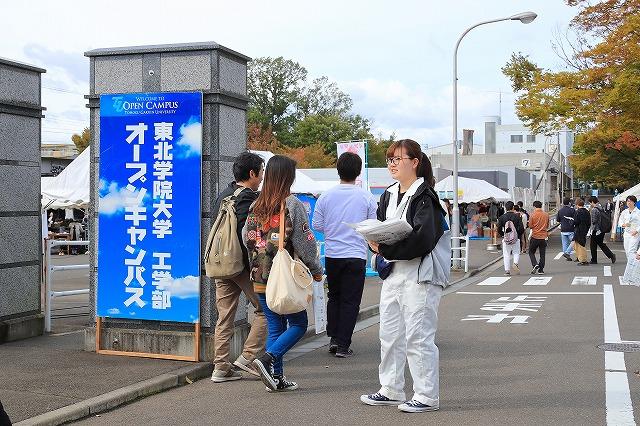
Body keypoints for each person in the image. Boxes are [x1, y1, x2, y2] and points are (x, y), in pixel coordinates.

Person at [360, 139, 446, 413]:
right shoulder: (388, 194)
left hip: (420, 275)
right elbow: (381, 227)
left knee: (418, 336)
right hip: (394, 273)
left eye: (398, 159)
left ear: (415, 162)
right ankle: (391, 388)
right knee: (390, 334)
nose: (392, 164)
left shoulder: (426, 197)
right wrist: (374, 243)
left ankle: (426, 395)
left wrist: (384, 247)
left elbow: (424, 239)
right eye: (389, 160)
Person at [244, 155, 323, 392]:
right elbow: (305, 243)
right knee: (299, 324)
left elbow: (246, 240)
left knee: (275, 326)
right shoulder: (291, 204)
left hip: (259, 277)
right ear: (288, 176)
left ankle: (276, 379)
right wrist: (317, 270)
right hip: (284, 278)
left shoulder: (254, 206)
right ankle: (268, 359)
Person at [312, 152, 377, 358]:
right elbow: (372, 227)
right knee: (351, 300)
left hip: (332, 254)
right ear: (358, 173)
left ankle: (333, 338)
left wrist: (333, 230)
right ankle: (343, 344)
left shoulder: (326, 196)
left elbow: (317, 225)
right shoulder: (366, 197)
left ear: (338, 171)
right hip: (356, 255)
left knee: (335, 297)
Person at [210, 152, 267, 383]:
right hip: (240, 265)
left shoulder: (223, 195)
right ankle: (248, 357)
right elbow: (247, 237)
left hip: (220, 264)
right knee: (265, 310)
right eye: (261, 172)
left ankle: (220, 368)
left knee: (224, 317)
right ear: (252, 173)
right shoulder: (248, 198)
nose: (262, 177)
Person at [497, 201, 525, 275]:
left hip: (506, 238)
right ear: (513, 207)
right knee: (516, 252)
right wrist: (518, 235)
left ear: (505, 208)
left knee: (506, 254)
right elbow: (521, 228)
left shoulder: (501, 218)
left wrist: (503, 234)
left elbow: (499, 229)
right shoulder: (518, 216)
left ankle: (507, 271)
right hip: (516, 238)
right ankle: (515, 263)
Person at [588, 196, 616, 264]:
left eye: (590, 202)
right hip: (602, 229)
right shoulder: (601, 207)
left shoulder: (594, 209)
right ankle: (611, 255)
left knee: (593, 245)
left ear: (592, 202)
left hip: (596, 230)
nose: (590, 204)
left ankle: (594, 260)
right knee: (600, 243)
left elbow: (594, 221)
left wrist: (591, 230)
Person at [528, 200, 549, 274]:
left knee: (531, 251)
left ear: (534, 206)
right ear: (541, 206)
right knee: (542, 254)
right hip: (543, 237)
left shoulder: (532, 214)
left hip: (535, 236)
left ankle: (535, 264)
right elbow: (547, 225)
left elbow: (530, 226)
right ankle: (541, 270)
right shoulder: (546, 214)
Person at [618, 195, 640, 261]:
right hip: (627, 233)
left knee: (631, 250)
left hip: (635, 234)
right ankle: (631, 264)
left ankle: (633, 265)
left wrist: (637, 231)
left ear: (634, 202)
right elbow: (620, 221)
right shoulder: (624, 212)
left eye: (630, 201)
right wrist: (624, 224)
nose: (629, 203)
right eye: (627, 201)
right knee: (627, 250)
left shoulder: (638, 212)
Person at [573, 198, 591, 265]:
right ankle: (580, 258)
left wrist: (572, 222)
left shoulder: (578, 212)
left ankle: (583, 260)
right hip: (585, 230)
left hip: (579, 230)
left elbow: (576, 221)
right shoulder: (587, 211)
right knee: (578, 244)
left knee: (580, 246)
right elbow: (589, 222)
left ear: (577, 204)